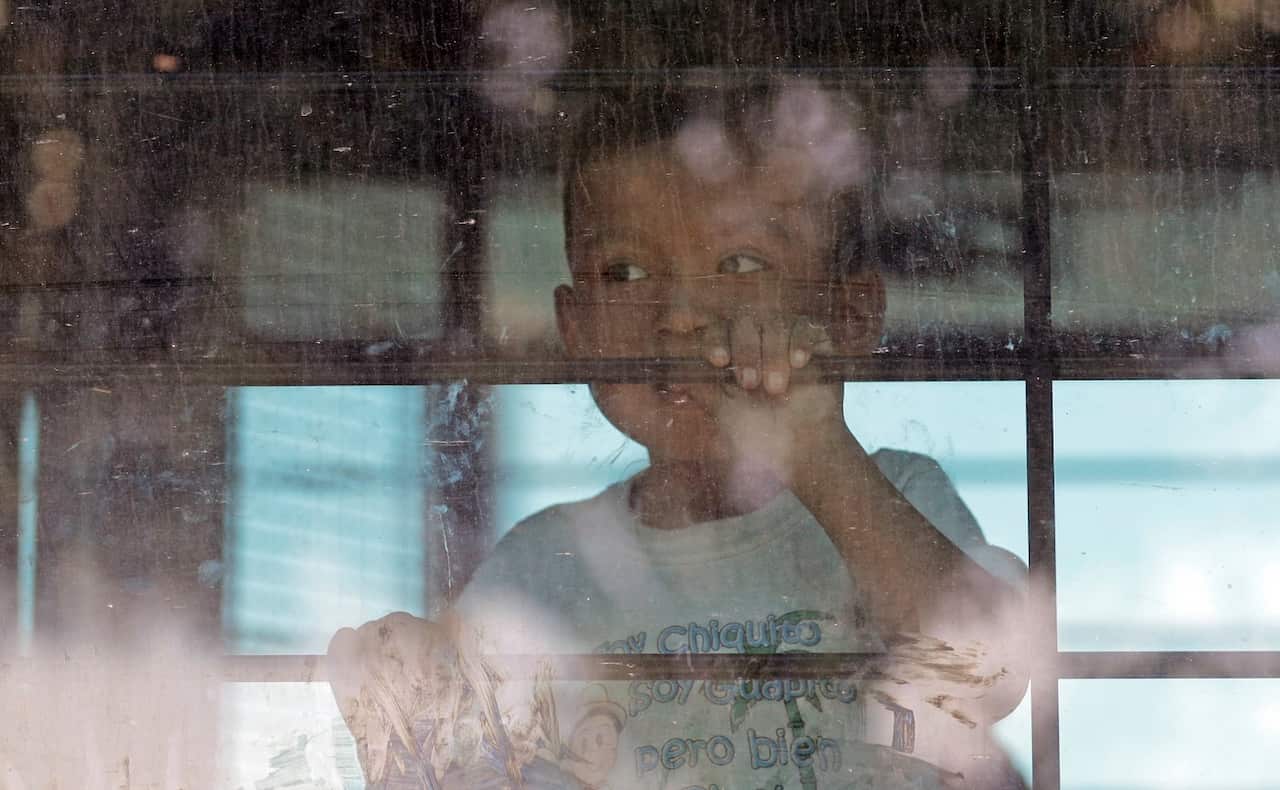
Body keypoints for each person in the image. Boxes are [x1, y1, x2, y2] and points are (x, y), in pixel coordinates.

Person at [329, 82, 1029, 790]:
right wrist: (407, 703)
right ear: (577, 330)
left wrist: (816, 449)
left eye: (742, 263)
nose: (682, 315)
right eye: (626, 272)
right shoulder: (545, 564)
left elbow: (993, 672)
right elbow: (469, 759)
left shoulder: (896, 495)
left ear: (849, 314)